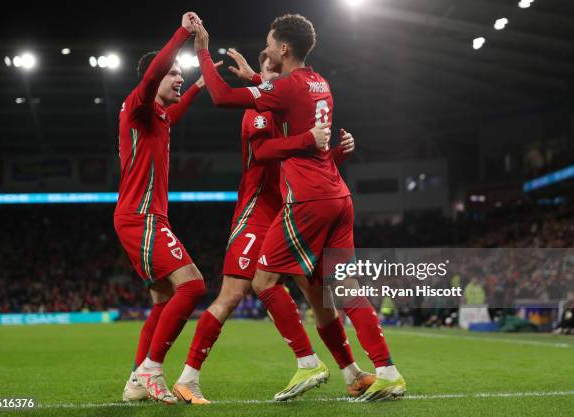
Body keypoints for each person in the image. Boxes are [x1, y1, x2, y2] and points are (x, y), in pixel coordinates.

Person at [194, 14, 406, 402]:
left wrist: (203, 51)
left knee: (263, 281)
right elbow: (288, 101)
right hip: (339, 197)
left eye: (271, 43)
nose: (268, 48)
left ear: (284, 48)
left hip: (308, 200)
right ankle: (387, 371)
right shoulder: (320, 82)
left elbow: (222, 98)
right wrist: (256, 79)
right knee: (344, 290)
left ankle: (308, 362)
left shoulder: (289, 87)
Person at [172, 50, 373, 404]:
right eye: (268, 71)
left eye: (276, 71)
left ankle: (352, 374)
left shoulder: (294, 110)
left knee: (319, 297)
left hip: (294, 210)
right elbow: (265, 154)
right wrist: (310, 138)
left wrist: (340, 150)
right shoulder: (258, 111)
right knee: (233, 293)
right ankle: (189, 378)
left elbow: (312, 160)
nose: (275, 76)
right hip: (257, 212)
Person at [114, 12, 216, 405]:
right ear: (155, 79)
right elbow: (155, 71)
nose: (179, 78)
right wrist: (183, 34)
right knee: (192, 286)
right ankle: (152, 370)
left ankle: (136, 383)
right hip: (140, 218)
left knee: (161, 301)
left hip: (147, 218)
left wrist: (199, 87)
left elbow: (174, 113)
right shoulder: (138, 105)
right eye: (174, 74)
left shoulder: (157, 117)